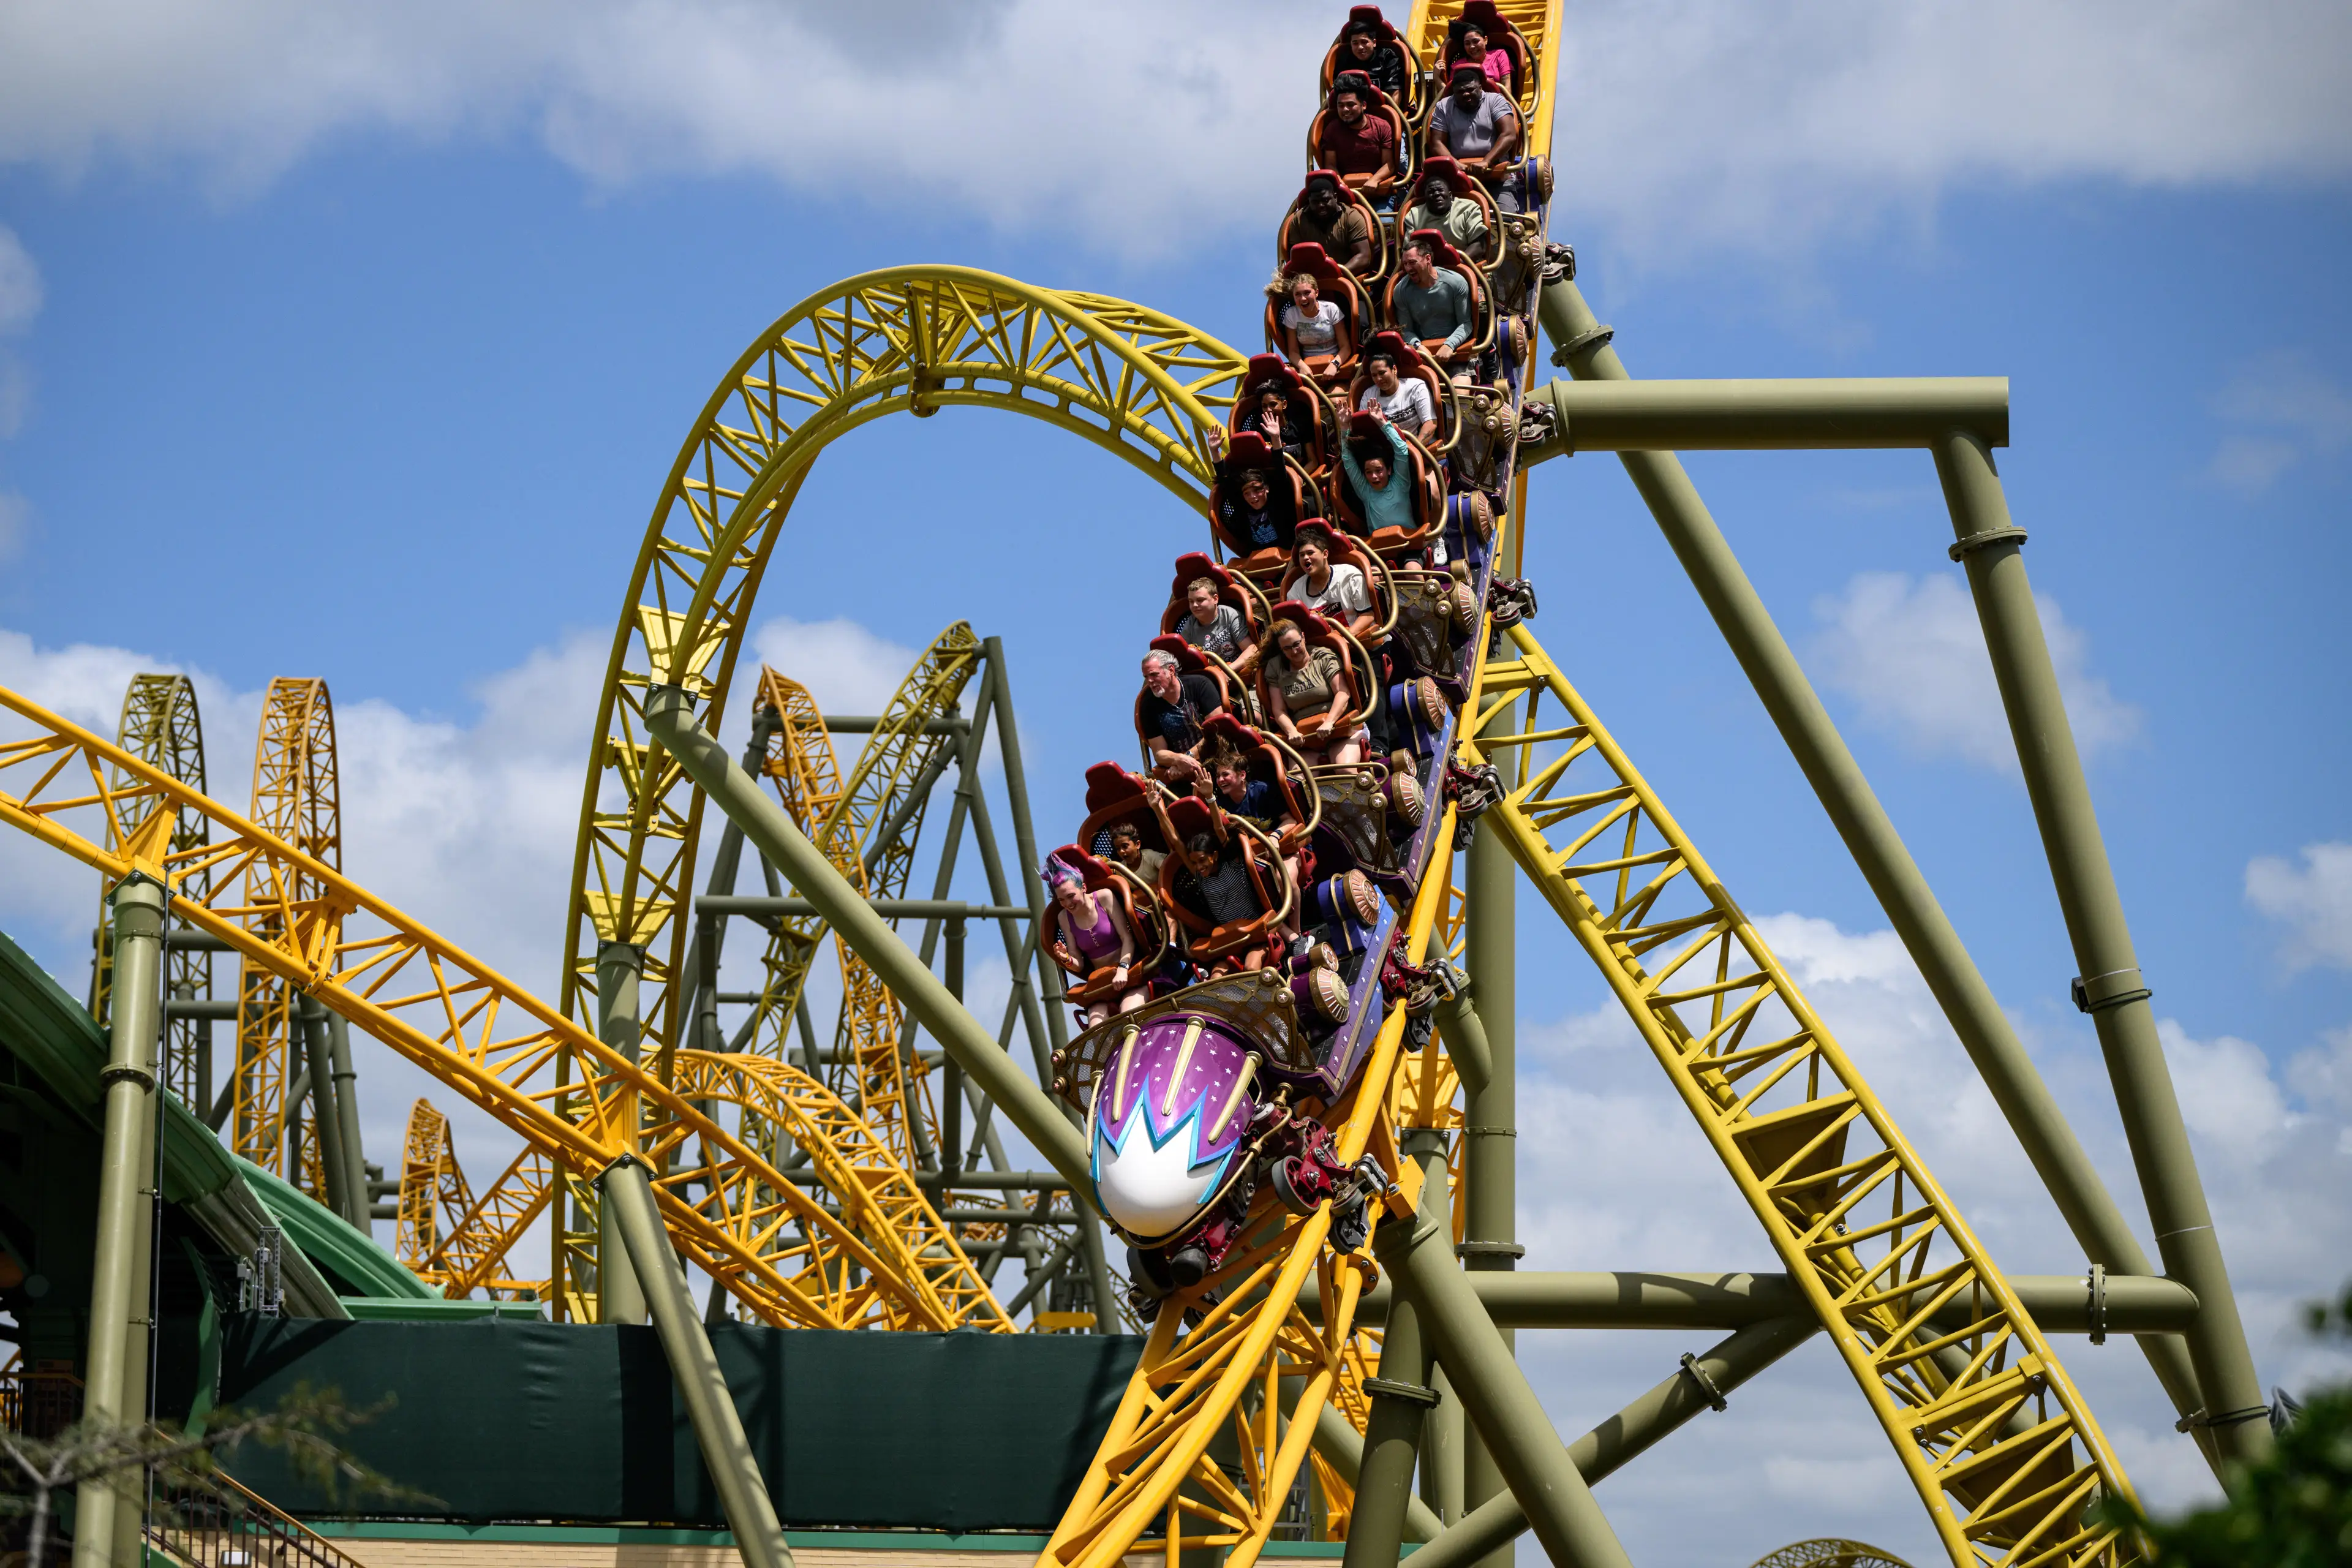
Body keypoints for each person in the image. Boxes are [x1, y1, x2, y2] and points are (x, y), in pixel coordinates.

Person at [1045, 857, 1144, 1025]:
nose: (1068, 904)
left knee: (1129, 1017)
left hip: (1129, 973)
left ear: (1083, 888)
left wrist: (1122, 969)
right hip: (1102, 984)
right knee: (1097, 1030)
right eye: (1061, 900)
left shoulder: (1104, 897)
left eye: (1071, 896)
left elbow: (1127, 938)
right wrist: (1066, 959)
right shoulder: (1064, 918)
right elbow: (1080, 965)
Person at [1264, 617, 1366, 766]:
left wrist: (1330, 722)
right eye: (1287, 648)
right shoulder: (1276, 668)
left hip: (1339, 730)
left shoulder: (1322, 656)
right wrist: (1291, 731)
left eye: (1296, 644)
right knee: (1300, 779)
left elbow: (1343, 693)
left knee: (1345, 769)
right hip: (1306, 739)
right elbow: (1279, 710)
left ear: (1303, 637)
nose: (1294, 651)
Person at [1426, 63, 1521, 211]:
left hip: (1495, 172)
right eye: (1460, 92)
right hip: (1459, 176)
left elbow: (1509, 134)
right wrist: (1453, 163)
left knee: (1506, 216)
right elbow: (1436, 142)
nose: (1466, 94)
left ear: (1481, 88)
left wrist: (1487, 161)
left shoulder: (1495, 100)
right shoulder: (1443, 106)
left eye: (1470, 89)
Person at [1206, 425, 1300, 553]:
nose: (1253, 497)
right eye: (1247, 493)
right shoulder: (1243, 508)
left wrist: (1276, 437)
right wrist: (1215, 452)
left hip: (1288, 549)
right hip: (1258, 557)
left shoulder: (1278, 499)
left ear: (1266, 488)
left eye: (1257, 490)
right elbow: (1225, 483)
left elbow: (1280, 470)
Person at [1138, 648, 1223, 789]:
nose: (1150, 681)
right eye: (1146, 677)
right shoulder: (1148, 704)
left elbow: (1217, 731)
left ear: (1171, 670)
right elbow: (1159, 753)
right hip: (1181, 773)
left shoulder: (1200, 685)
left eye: (1154, 675)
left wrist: (1188, 758)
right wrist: (1179, 760)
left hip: (1217, 757)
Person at [1284, 524, 1378, 642]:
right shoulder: (1295, 592)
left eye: (1310, 553)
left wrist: (1345, 640)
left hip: (1359, 641)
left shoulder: (1350, 575)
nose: (1306, 558)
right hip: (1324, 651)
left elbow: (1367, 616)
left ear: (1325, 554)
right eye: (1302, 555)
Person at [1392, 236, 1475, 371]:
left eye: (1413, 262)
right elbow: (1405, 329)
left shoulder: (1456, 283)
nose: (1408, 268)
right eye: (1405, 264)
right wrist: (1418, 346)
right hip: (1423, 359)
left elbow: (1466, 323)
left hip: (1457, 354)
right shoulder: (1401, 291)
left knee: (1460, 390)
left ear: (1428, 259)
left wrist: (1449, 345)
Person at [1314, 76, 1396, 202]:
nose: (1345, 110)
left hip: (1378, 192)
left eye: (1351, 105)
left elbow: (1389, 164)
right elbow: (1330, 164)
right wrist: (1341, 185)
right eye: (1341, 106)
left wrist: (1374, 180)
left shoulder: (1381, 126)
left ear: (1363, 105)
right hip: (1345, 195)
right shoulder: (1332, 129)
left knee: (1384, 219)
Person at [1343, 415, 1420, 540]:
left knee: (1411, 562)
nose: (1374, 476)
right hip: (1380, 550)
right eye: (1369, 472)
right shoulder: (1365, 491)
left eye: (1379, 471)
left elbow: (1401, 450)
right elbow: (1348, 461)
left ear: (1389, 470)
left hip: (1408, 543)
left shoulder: (1400, 483)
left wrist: (1382, 423)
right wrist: (1344, 427)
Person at [1175, 575, 1260, 677]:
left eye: (1200, 600)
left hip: (1239, 671)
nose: (1195, 606)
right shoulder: (1189, 626)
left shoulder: (1229, 615)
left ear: (1215, 599)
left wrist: (1227, 672)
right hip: (1212, 678)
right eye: (1191, 602)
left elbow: (1252, 649)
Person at [1291, 174, 1376, 276]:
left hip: (1348, 277)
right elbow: (1295, 258)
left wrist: (1336, 274)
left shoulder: (1351, 217)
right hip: (1310, 281)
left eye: (1326, 200)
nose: (1321, 206)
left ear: (1335, 197)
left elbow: (1364, 257)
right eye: (1315, 202)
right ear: (1309, 201)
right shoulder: (1299, 220)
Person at [1275, 270, 1352, 379]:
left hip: (1335, 364)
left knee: (1336, 395)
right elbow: (1293, 351)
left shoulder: (1331, 309)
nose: (1303, 299)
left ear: (1316, 293)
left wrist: (1334, 365)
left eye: (1307, 293)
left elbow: (1346, 347)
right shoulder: (1291, 314)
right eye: (1298, 294)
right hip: (1309, 367)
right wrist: (1303, 366)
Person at [1402, 172, 1489, 260]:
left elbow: (1480, 245)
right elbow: (1408, 251)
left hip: (1464, 264)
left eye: (1440, 190)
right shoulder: (1414, 215)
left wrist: (1459, 263)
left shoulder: (1468, 208)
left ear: (1450, 195)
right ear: (1425, 198)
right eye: (1431, 192)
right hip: (1424, 268)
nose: (1436, 194)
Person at [1355, 349, 1437, 441]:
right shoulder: (1369, 395)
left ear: (1394, 370)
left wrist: (1415, 450)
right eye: (1374, 375)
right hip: (1386, 449)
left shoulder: (1416, 387)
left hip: (1417, 445)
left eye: (1382, 373)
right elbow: (1362, 431)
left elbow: (1430, 424)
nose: (1378, 379)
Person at [1237, 380, 1312, 466]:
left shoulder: (1299, 424)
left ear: (1284, 405)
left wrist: (1300, 478)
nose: (1268, 410)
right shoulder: (1259, 432)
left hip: (1303, 474)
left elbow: (1313, 461)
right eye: (1265, 406)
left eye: (1273, 404)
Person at [1340, 13, 1409, 102]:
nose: (1360, 47)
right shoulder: (1345, 60)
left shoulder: (1388, 57)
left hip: (1381, 108)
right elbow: (1338, 92)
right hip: (1352, 111)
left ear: (1374, 43)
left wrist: (1391, 114)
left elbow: (1395, 91)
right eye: (1355, 43)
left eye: (1364, 42)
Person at [1450, 20, 1512, 94]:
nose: (1472, 47)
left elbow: (1507, 87)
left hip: (1495, 102)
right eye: (1467, 44)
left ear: (1485, 40)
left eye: (1476, 41)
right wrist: (1437, 78)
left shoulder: (1499, 55)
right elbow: (1450, 95)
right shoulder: (1458, 66)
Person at [1106, 820, 1166, 889]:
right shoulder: (1120, 870)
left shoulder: (1150, 856)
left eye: (1125, 846)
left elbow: (1169, 872)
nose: (1121, 851)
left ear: (1137, 845)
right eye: (1118, 849)